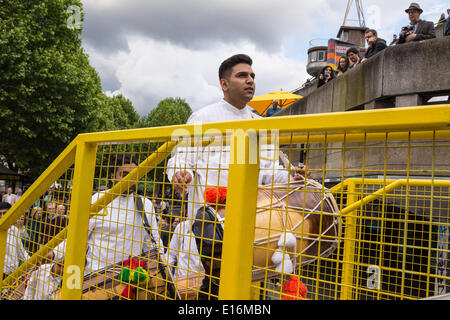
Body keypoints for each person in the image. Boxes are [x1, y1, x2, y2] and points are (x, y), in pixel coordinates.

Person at [166, 54, 307, 299]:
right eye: (242, 75)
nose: (250, 80)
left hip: (252, 232)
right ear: (224, 84)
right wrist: (180, 173)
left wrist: (291, 176)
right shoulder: (203, 118)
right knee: (206, 294)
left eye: (252, 76)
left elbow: (269, 174)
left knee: (249, 295)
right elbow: (180, 159)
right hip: (208, 233)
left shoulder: (260, 124)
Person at [23, 153, 162, 300]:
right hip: (95, 284)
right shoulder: (97, 200)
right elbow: (76, 236)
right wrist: (54, 254)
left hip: (130, 284)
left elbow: (153, 243)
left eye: (134, 174)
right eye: (124, 174)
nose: (130, 179)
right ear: (112, 176)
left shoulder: (145, 204)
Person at [1, 202, 30, 279]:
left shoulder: (14, 230)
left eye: (5, 213)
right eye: (0, 214)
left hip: (13, 274)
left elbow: (21, 251)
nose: (2, 216)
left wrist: (31, 262)